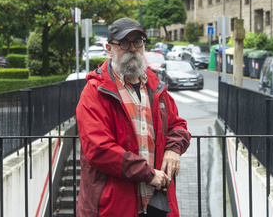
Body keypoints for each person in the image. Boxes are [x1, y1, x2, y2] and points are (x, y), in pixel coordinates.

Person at [76, 17, 191, 217]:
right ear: (109, 49)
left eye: (138, 42)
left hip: (158, 205)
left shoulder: (156, 87)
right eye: (124, 43)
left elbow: (178, 125)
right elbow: (99, 149)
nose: (132, 48)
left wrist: (173, 149)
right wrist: (147, 173)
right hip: (113, 208)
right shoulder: (95, 92)